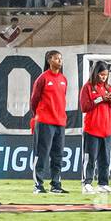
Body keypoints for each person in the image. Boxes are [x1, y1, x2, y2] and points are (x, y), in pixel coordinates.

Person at [30, 49, 68, 195]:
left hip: (60, 122)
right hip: (45, 121)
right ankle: (38, 185)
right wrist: (38, 116)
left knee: (58, 155)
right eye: (57, 58)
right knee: (41, 154)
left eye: (61, 58)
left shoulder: (64, 79)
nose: (60, 61)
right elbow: (34, 100)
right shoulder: (42, 78)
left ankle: (56, 185)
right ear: (49, 60)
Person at [79, 60, 111, 194]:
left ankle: (103, 184)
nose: (103, 77)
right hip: (92, 128)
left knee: (105, 159)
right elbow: (84, 107)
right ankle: (87, 183)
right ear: (95, 73)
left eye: (105, 75)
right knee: (90, 158)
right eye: (101, 75)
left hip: (106, 129)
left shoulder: (109, 88)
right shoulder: (87, 87)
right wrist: (101, 99)